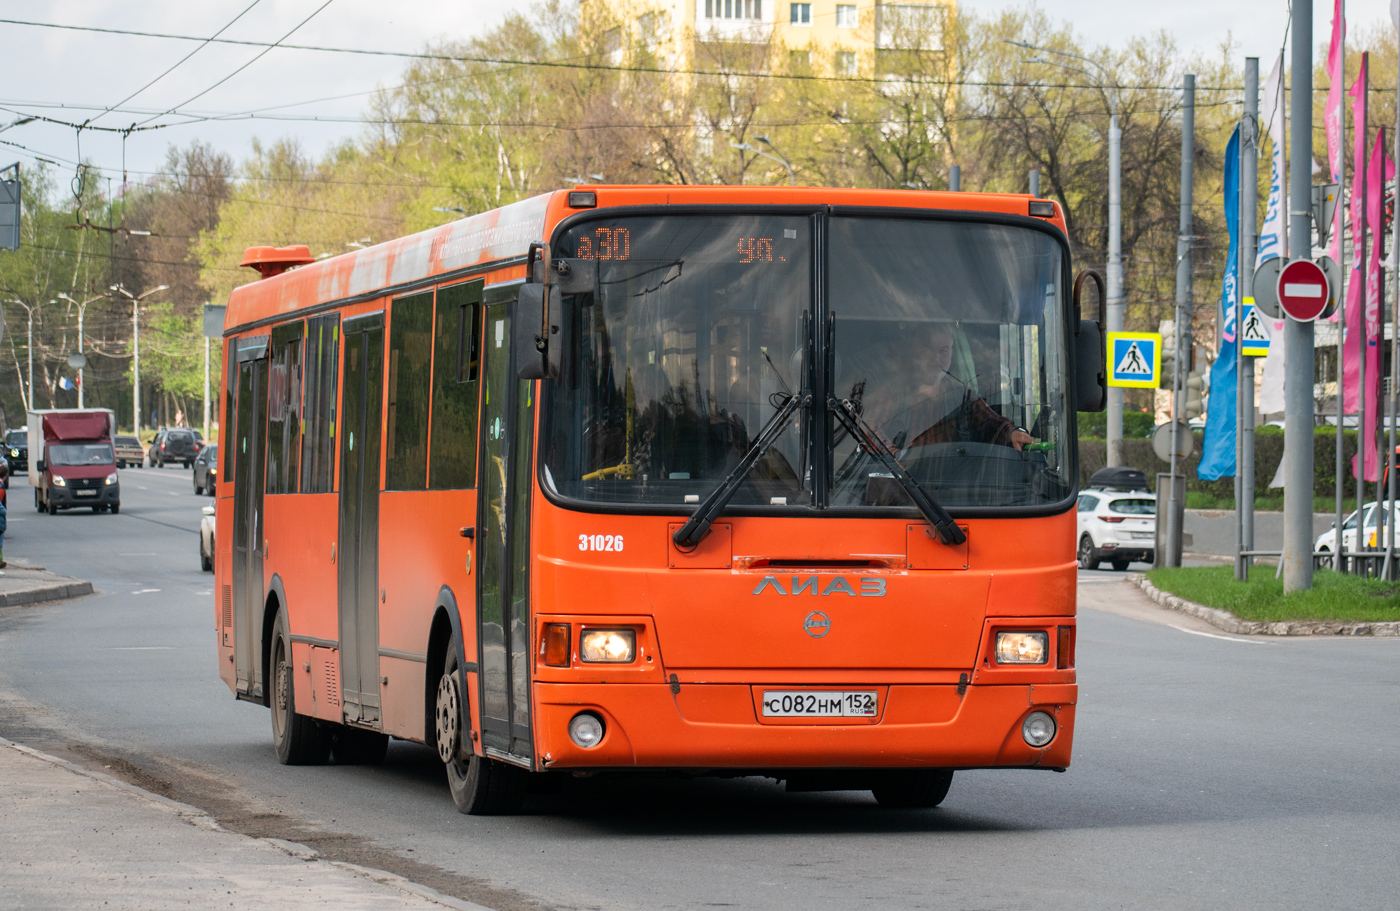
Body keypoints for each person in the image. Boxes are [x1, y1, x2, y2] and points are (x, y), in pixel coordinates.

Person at [881, 323, 1033, 452]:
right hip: (899, 483)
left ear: (951, 354)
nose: (935, 358)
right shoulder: (894, 393)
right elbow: (869, 428)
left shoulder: (962, 395)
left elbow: (990, 422)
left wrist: (1011, 433)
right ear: (914, 351)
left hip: (949, 485)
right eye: (928, 349)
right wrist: (892, 456)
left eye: (943, 351)